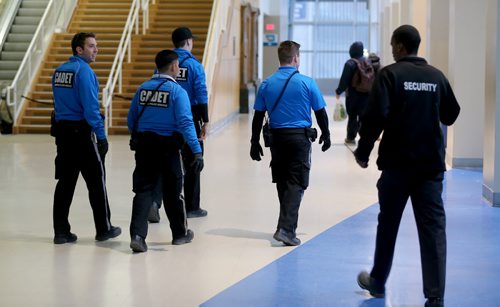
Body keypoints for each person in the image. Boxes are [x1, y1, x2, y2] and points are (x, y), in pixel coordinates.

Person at [353, 25, 460, 307]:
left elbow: (374, 117)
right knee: (433, 229)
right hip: (429, 167)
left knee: (388, 224)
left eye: (392, 45)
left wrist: (363, 152)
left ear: (400, 46)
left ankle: (377, 282)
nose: (391, 50)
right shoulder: (436, 76)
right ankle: (435, 295)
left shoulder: (390, 75)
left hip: (397, 166)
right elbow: (452, 114)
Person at [250, 40, 331, 246]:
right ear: (295, 58)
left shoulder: (267, 84)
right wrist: (326, 133)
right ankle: (286, 229)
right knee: (296, 183)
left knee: (283, 181)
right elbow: (320, 112)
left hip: (276, 139)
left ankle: (286, 226)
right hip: (299, 139)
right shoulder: (307, 82)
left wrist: (254, 141)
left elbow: (258, 116)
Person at [128, 49, 204, 253]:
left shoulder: (143, 89)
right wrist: (196, 150)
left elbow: (131, 119)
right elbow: (186, 123)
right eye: (177, 65)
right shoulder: (177, 92)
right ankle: (180, 234)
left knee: (143, 190)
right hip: (169, 147)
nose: (178, 68)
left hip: (144, 146)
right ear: (172, 67)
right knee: (173, 192)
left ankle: (137, 236)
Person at [51, 32, 121, 244]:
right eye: (91, 46)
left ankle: (61, 232)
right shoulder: (84, 72)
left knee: (65, 183)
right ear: (79, 50)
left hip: (63, 133)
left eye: (96, 46)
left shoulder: (60, 71)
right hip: (81, 134)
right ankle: (104, 229)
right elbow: (91, 110)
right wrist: (101, 137)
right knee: (97, 182)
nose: (96, 50)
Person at [147, 26, 209, 222]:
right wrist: (205, 120)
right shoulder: (194, 65)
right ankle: (192, 206)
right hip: (189, 115)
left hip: (165, 115)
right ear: (188, 42)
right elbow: (201, 94)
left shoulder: (163, 64)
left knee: (162, 161)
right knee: (193, 160)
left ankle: (154, 203)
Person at [335, 41, 370, 145]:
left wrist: (339, 91)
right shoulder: (367, 62)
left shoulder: (350, 63)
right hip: (367, 95)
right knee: (364, 117)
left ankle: (350, 138)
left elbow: (344, 80)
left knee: (353, 117)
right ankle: (365, 138)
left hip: (353, 95)